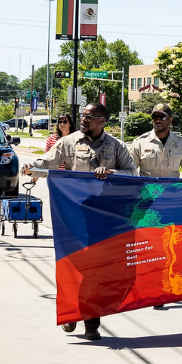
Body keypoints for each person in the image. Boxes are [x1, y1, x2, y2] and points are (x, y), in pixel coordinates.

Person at [22, 102, 137, 341]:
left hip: (103, 217)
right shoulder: (69, 142)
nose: (83, 120)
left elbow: (132, 173)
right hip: (73, 215)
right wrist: (31, 168)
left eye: (89, 117)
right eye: (83, 116)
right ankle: (71, 312)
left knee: (96, 271)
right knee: (73, 266)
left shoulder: (115, 146)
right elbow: (47, 163)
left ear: (102, 121)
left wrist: (111, 172)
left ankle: (92, 322)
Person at [130, 103, 182, 309]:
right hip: (146, 203)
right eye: (155, 117)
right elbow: (130, 172)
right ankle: (146, 286)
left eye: (162, 117)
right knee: (148, 248)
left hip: (170, 202)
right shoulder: (141, 143)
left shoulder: (181, 144)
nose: (157, 120)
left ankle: (161, 288)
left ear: (170, 120)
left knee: (168, 248)